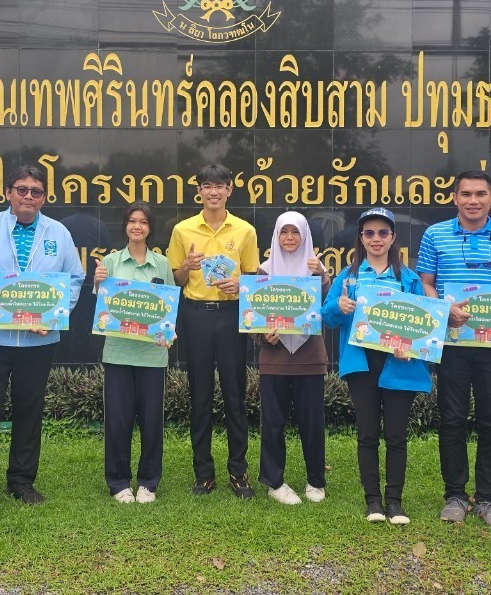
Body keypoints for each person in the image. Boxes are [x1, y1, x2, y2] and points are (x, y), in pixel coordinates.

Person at [0, 164, 85, 517]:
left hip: (38, 340)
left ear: (44, 197)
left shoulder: (59, 233)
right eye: (21, 190)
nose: (28, 196)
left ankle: (22, 480)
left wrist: (55, 313)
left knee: (29, 410)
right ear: (8, 192)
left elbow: (74, 278)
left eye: (35, 191)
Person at [417, 171, 491, 531]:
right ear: (454, 197)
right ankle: (456, 495)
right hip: (452, 342)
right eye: (466, 194)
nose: (473, 200)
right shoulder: (435, 235)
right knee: (451, 418)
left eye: (481, 194)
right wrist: (443, 310)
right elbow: (427, 284)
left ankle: (489, 498)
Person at [322, 208, 432, 524]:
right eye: (369, 233)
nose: (376, 239)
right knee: (367, 433)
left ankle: (394, 502)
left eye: (383, 233)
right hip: (362, 364)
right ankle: (373, 501)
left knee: (396, 435)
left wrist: (408, 347)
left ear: (393, 237)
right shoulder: (349, 276)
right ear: (361, 238)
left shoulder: (408, 279)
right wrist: (340, 307)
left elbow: (424, 325)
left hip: (398, 364)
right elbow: (327, 317)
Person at [166, 163, 260, 498]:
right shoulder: (183, 230)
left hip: (232, 315)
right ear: (199, 191)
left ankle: (239, 472)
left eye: (220, 185)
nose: (214, 191)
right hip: (196, 315)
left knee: (235, 395)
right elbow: (174, 279)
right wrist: (187, 268)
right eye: (207, 185)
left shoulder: (244, 231)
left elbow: (254, 277)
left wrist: (241, 284)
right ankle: (203, 473)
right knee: (200, 395)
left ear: (230, 189)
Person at [93, 202, 176, 504]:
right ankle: (118, 482)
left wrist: (170, 330)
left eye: (142, 222)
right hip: (118, 354)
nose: (136, 226)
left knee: (152, 422)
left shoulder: (162, 265)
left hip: (153, 356)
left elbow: (169, 309)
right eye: (131, 221)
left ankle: (148, 482)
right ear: (125, 226)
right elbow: (102, 308)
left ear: (150, 228)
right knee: (118, 421)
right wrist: (98, 281)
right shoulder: (111, 262)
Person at [252, 212, 331, 506]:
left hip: (310, 357)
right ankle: (274, 482)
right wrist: (263, 337)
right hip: (274, 358)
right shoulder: (263, 271)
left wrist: (321, 274)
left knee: (312, 422)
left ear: (305, 236)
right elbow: (253, 315)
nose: (289, 238)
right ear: (275, 236)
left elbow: (328, 305)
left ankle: (315, 481)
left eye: (295, 232)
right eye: (283, 232)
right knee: (273, 422)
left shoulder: (316, 269)